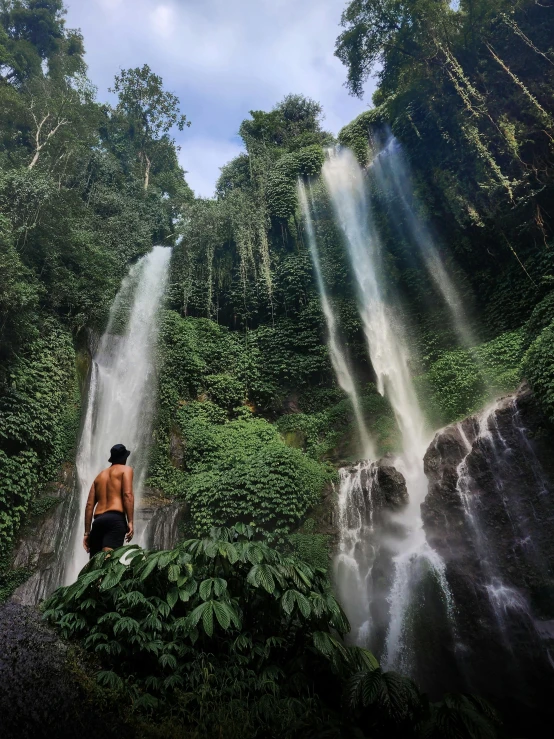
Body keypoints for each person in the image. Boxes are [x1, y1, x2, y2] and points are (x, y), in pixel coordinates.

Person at [83, 443, 134, 557]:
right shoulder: (126, 470)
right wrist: (130, 521)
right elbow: (127, 494)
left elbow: (89, 505)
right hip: (115, 520)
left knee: (95, 566)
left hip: (97, 522)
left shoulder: (99, 476)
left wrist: (87, 533)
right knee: (108, 563)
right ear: (125, 458)